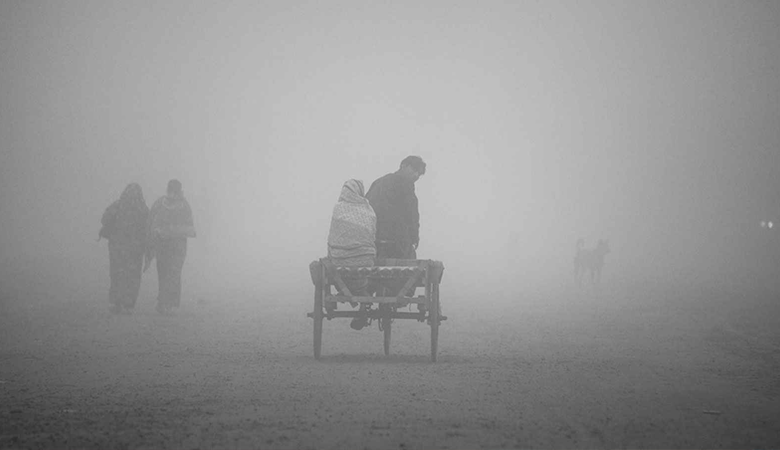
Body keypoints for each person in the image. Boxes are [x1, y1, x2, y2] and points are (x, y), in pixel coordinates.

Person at [326, 179, 377, 330]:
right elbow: (372, 235)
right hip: (364, 262)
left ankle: (346, 290)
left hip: (339, 263)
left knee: (334, 259)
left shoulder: (338, 209)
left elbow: (332, 237)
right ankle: (363, 299)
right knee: (370, 261)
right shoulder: (368, 210)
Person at [145, 179, 196, 315]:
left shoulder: (160, 203)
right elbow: (190, 227)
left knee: (164, 274)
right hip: (177, 248)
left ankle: (164, 303)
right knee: (173, 275)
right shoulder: (184, 205)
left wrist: (156, 235)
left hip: (164, 246)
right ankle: (169, 303)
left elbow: (150, 222)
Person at [99, 183, 149, 314]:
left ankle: (115, 302)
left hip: (117, 247)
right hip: (135, 249)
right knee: (133, 276)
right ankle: (128, 304)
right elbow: (148, 229)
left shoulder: (117, 205)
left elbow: (104, 219)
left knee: (117, 274)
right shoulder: (143, 209)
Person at [365, 156, 426, 260]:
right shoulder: (406, 186)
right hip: (397, 243)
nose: (416, 175)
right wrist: (414, 238)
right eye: (414, 170)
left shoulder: (378, 183)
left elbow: (365, 208)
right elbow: (411, 216)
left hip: (373, 241)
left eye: (419, 174)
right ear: (403, 166)